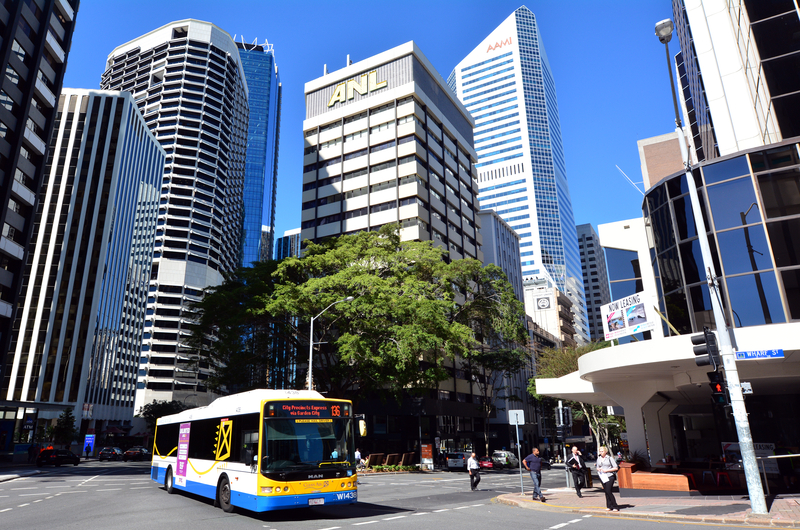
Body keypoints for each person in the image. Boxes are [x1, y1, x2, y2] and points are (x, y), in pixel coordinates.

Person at [596, 446, 620, 511]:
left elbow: (616, 468)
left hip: (609, 476)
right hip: (602, 476)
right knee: (606, 491)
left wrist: (607, 470)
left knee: (609, 491)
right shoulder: (599, 458)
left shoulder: (609, 458)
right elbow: (597, 467)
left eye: (602, 451)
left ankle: (615, 506)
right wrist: (598, 469)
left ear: (605, 452)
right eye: (600, 451)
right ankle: (609, 506)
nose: (601, 453)